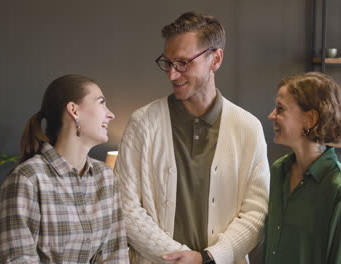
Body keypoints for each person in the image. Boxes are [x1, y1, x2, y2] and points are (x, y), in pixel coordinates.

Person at [114, 11, 270, 264]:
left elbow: (256, 213)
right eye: (168, 63)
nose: (172, 74)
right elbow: (126, 207)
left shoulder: (248, 128)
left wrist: (207, 259)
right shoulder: (142, 124)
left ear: (215, 59)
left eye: (184, 63)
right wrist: (177, 258)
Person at [0, 74, 129, 263]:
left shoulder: (106, 177)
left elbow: (115, 255)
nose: (111, 114)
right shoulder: (27, 179)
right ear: (74, 110)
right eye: (101, 103)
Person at [264, 72, 341, 264]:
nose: (271, 115)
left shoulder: (339, 188)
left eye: (280, 109)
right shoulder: (279, 170)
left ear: (309, 119)